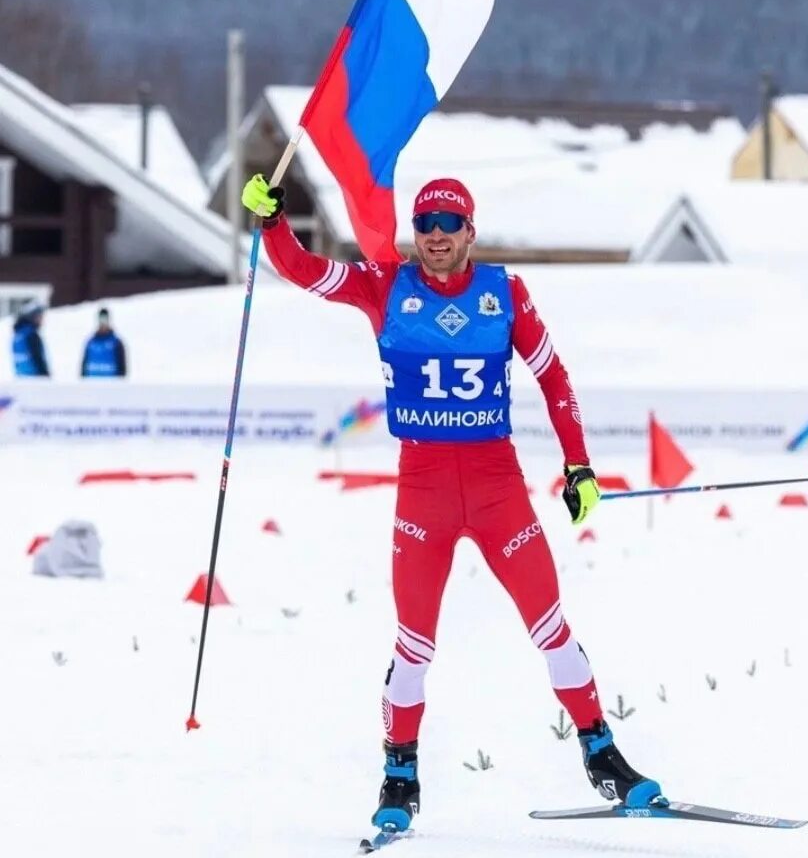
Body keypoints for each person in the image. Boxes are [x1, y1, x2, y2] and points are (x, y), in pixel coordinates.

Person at [241, 174, 663, 833]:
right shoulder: (383, 284)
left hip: (498, 489)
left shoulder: (505, 292)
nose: (436, 237)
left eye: (449, 224)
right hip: (424, 492)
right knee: (413, 644)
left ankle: (602, 755)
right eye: (425, 224)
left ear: (470, 230)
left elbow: (552, 376)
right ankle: (399, 773)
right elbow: (300, 269)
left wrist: (577, 462)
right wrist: (272, 222)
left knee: (550, 626)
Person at [80, 307, 127, 378]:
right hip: (91, 384)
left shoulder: (116, 342)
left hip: (110, 384)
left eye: (105, 319)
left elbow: (122, 367)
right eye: (101, 319)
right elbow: (84, 366)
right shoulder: (91, 342)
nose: (103, 323)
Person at [11, 301, 49, 377]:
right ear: (32, 317)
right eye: (39, 316)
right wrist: (45, 376)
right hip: (35, 379)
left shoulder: (18, 335)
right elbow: (37, 358)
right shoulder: (31, 335)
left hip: (21, 377)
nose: (41, 320)